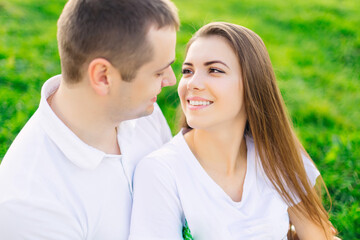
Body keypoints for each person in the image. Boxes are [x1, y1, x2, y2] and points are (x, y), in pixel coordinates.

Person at [129, 22, 339, 240]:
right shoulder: (161, 172)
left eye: (214, 70)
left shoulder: (277, 155)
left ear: (252, 84)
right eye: (188, 71)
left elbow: (319, 236)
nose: (193, 83)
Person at [0, 0, 179, 239]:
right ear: (103, 77)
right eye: (159, 71)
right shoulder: (31, 205)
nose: (171, 80)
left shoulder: (142, 111)